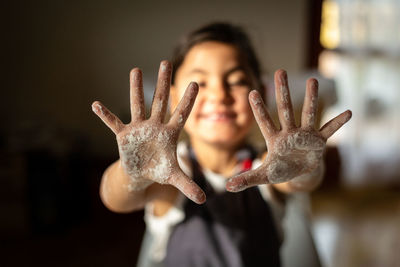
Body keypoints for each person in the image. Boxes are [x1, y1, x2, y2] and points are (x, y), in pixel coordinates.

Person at [91, 22, 351, 267]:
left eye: (236, 81)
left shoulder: (269, 166)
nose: (219, 94)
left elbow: (300, 182)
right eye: (200, 83)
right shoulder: (168, 172)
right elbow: (116, 199)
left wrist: (304, 168)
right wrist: (132, 174)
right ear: (172, 99)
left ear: (260, 92)